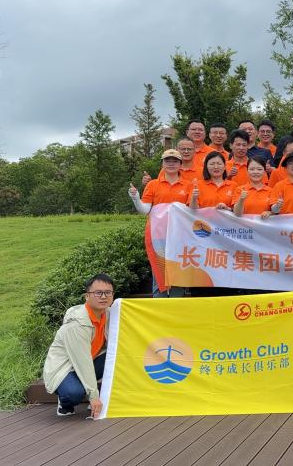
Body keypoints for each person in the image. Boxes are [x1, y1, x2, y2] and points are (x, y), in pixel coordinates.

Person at [43, 274, 114, 418]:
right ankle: (65, 404)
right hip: (65, 369)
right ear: (87, 296)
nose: (103, 296)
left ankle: (97, 394)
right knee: (73, 393)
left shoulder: (109, 314)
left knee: (118, 355)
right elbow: (82, 362)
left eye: (108, 292)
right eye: (98, 293)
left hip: (91, 360)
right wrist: (94, 396)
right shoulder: (76, 324)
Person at [129, 149, 190, 298]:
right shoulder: (153, 184)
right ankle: (159, 307)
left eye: (175, 161)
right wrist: (136, 198)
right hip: (158, 236)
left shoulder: (188, 185)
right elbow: (145, 210)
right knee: (159, 274)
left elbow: (192, 211)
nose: (171, 164)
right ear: (162, 164)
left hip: (180, 236)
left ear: (180, 164)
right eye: (167, 161)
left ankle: (176, 307)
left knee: (178, 274)